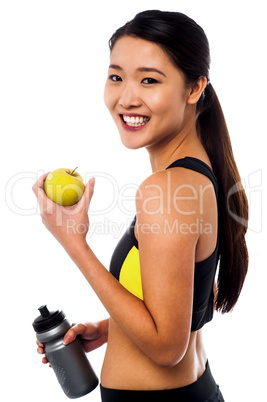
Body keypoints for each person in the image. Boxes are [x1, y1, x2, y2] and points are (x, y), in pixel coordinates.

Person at [33, 10, 249, 402]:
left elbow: (167, 349)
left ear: (194, 88)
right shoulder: (195, 176)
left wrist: (74, 243)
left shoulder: (166, 190)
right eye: (116, 76)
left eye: (149, 80)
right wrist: (111, 326)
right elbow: (190, 303)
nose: (126, 97)